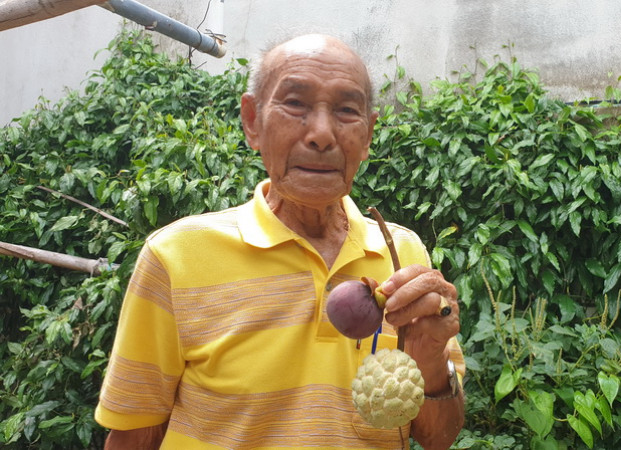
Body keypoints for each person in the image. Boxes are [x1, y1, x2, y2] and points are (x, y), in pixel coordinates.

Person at [95, 33, 465, 449]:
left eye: (346, 110)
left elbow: (438, 438)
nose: (322, 134)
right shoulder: (176, 256)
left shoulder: (406, 259)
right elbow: (135, 433)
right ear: (252, 122)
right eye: (295, 104)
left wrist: (431, 359)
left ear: (367, 136)